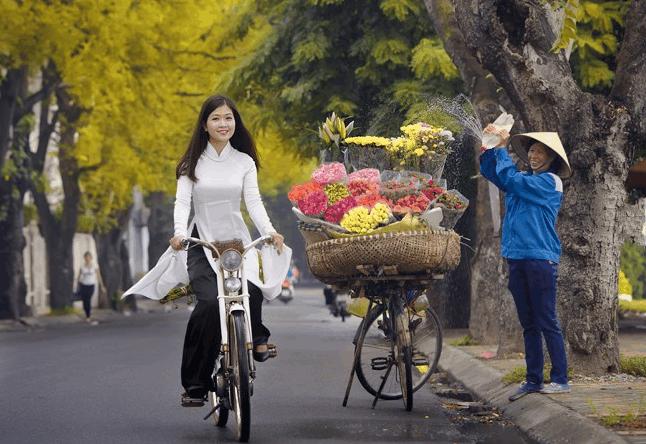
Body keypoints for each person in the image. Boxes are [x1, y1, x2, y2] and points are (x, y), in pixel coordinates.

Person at [167, 94, 286, 407]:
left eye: (228, 118)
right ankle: (194, 385)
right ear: (205, 125)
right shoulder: (190, 164)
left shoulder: (244, 162)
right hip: (201, 243)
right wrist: (180, 233)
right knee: (208, 304)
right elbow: (182, 203)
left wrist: (270, 232)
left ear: (236, 123)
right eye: (216, 118)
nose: (223, 123)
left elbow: (254, 202)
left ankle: (257, 338)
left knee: (253, 290)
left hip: (236, 242)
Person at [479, 126, 572, 401]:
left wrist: (502, 150)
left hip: (540, 259)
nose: (533, 155)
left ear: (551, 158)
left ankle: (560, 379)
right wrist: (489, 148)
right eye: (531, 150)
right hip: (516, 258)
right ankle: (533, 380)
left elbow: (511, 181)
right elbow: (492, 173)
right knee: (528, 323)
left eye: (540, 151)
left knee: (546, 320)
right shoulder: (519, 178)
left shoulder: (550, 182)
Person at [76, 251, 105, 325]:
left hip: (91, 285)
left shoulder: (95, 266)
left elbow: (99, 276)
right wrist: (77, 285)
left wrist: (102, 286)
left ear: (91, 258)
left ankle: (88, 316)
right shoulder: (82, 266)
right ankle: (87, 314)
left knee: (88, 299)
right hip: (83, 285)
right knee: (85, 300)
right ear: (84, 258)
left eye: (89, 257)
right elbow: (79, 276)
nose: (87, 258)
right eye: (86, 257)